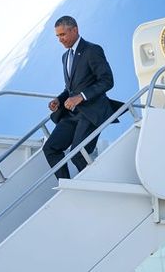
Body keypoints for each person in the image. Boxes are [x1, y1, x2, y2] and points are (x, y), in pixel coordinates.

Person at [43, 15, 115, 179]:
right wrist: (58, 100)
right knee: (50, 148)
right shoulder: (65, 57)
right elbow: (71, 89)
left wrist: (81, 96)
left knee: (78, 154)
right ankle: (68, 188)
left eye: (63, 34)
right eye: (58, 36)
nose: (60, 39)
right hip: (72, 114)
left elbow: (107, 81)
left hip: (91, 113)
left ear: (75, 30)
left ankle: (92, 189)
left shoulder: (92, 50)